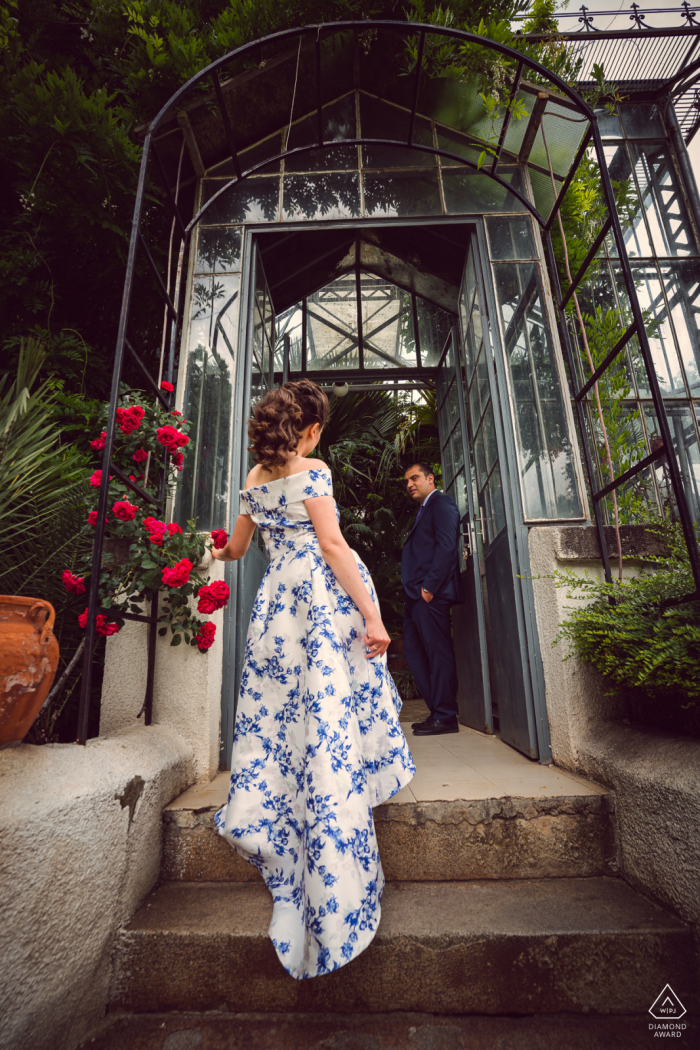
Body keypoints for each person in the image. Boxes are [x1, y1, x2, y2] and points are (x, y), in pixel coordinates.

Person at [211, 379, 415, 981]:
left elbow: (236, 550)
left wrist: (198, 550)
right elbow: (332, 544)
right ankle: (329, 822)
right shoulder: (314, 469)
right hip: (320, 606)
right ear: (310, 428)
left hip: (277, 610)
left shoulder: (252, 480)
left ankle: (281, 812)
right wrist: (375, 617)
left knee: (280, 722)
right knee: (325, 717)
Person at [401, 462, 464, 736]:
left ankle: (446, 716)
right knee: (415, 653)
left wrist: (429, 587)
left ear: (430, 478)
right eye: (406, 481)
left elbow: (447, 546)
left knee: (437, 653)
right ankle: (437, 711)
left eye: (414, 478)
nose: (409, 484)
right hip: (415, 596)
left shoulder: (442, 504)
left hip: (430, 595)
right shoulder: (423, 510)